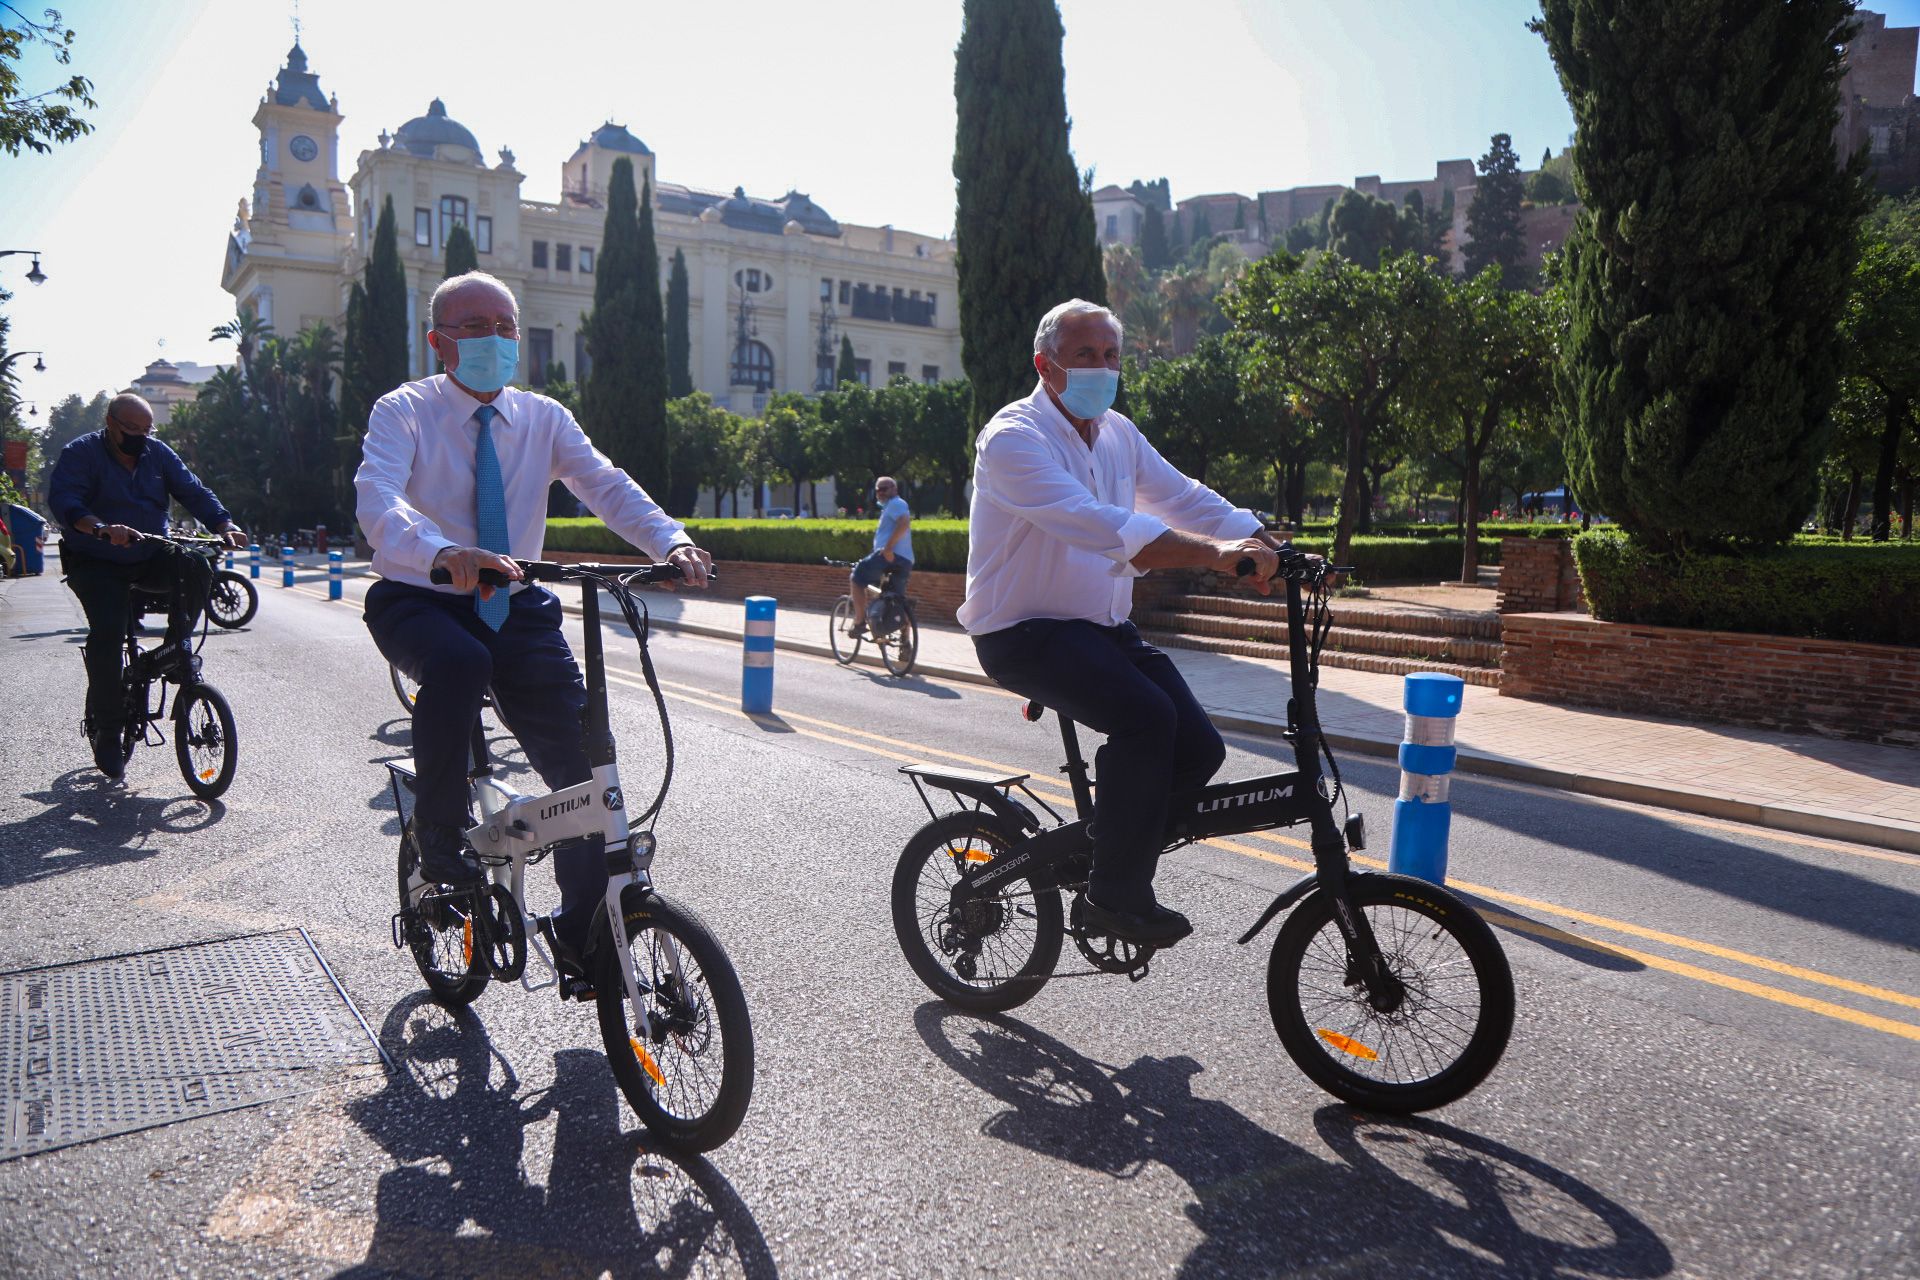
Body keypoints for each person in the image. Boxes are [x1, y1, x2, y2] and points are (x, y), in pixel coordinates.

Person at [355, 270, 713, 996]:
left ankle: (585, 934)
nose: (496, 338)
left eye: (506, 326)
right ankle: (441, 833)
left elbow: (606, 484)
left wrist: (669, 544)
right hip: (420, 595)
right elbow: (378, 495)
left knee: (583, 778)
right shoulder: (406, 410)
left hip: (515, 606)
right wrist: (439, 551)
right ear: (439, 342)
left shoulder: (544, 418)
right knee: (455, 662)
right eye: (476, 326)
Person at [958, 299, 1288, 947]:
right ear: (1045, 365)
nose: (1102, 370)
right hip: (1023, 633)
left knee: (1200, 749)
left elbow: (1183, 496)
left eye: (1111, 357)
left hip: (1103, 630)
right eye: (1085, 356)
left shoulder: (1116, 433)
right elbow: (1102, 526)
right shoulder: (1014, 439)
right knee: (1146, 720)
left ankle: (1106, 855)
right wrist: (1214, 557)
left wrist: (1265, 540)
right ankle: (1114, 892)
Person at [47, 394, 248, 778]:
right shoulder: (82, 453)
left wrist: (225, 526)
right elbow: (65, 500)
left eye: (146, 430)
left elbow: (193, 492)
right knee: (107, 633)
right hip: (96, 561)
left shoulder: (158, 454)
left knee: (197, 565)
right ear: (110, 423)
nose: (140, 437)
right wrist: (101, 528)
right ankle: (107, 730)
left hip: (148, 553)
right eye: (131, 430)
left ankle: (175, 649)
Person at [845, 475, 912, 638]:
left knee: (857, 577)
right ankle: (905, 643)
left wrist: (888, 548)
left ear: (894, 489)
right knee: (898, 601)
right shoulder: (891, 506)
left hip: (889, 556)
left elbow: (904, 523)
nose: (880, 492)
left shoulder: (896, 503)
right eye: (878, 489)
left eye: (885, 488)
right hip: (904, 560)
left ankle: (860, 622)